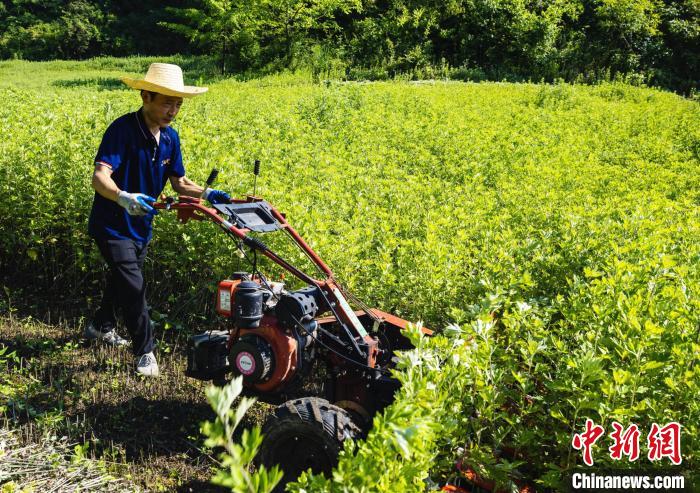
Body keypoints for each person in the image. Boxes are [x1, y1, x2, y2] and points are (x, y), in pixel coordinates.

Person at [86, 63, 230, 377]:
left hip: (141, 226)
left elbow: (179, 182)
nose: (173, 109)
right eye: (167, 101)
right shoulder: (122, 130)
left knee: (123, 278)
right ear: (145, 96)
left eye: (178, 103)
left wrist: (206, 193)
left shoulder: (169, 139)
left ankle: (100, 325)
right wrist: (123, 197)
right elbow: (100, 177)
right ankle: (145, 353)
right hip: (112, 224)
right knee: (134, 285)